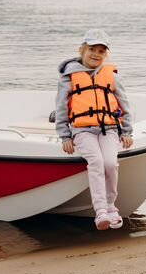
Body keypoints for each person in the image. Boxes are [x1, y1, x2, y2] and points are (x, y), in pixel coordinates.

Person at [55, 29, 134, 230]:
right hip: (83, 131)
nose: (96, 54)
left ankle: (111, 206)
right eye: (92, 49)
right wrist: (65, 135)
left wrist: (126, 131)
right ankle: (100, 211)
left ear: (105, 54)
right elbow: (62, 107)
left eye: (101, 51)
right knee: (97, 162)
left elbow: (124, 104)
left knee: (110, 163)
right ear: (82, 49)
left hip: (109, 129)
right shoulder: (69, 76)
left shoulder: (111, 76)